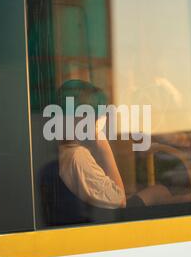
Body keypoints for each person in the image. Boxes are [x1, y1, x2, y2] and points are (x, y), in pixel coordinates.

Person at [58, 79, 176, 209]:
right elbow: (120, 202)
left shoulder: (65, 150)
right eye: (98, 116)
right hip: (110, 219)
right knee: (159, 193)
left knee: (158, 191)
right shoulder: (78, 156)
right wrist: (104, 147)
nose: (101, 121)